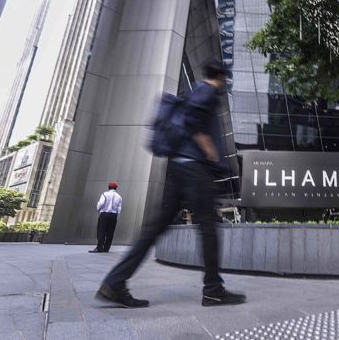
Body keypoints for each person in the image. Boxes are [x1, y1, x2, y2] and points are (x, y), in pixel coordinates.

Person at [96, 60, 246, 308]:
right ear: (219, 76)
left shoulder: (195, 91)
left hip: (179, 166)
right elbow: (194, 123)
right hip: (194, 168)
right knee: (208, 227)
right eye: (224, 79)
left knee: (156, 227)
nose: (224, 84)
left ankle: (115, 281)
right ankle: (213, 289)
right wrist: (211, 154)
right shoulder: (207, 92)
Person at [89, 181, 122, 253]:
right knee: (110, 233)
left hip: (104, 215)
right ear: (116, 188)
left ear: (108, 187)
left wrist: (98, 209)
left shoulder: (105, 194)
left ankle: (99, 248)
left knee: (101, 231)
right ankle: (106, 248)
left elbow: (100, 204)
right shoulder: (119, 197)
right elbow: (119, 208)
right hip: (113, 216)